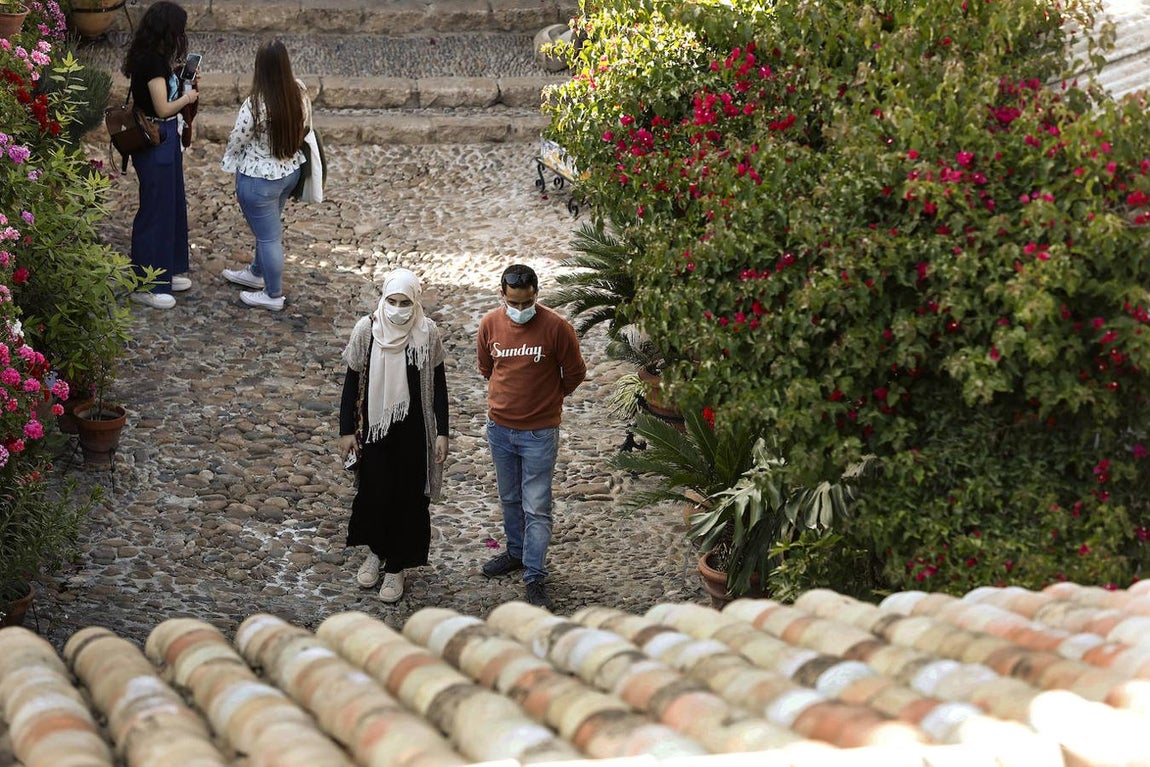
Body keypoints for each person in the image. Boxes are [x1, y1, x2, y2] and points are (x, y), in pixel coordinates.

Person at [477, 264, 586, 609]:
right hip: (500, 430)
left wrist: (550, 399)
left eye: (526, 304)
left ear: (536, 296)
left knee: (536, 506)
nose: (520, 311)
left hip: (539, 433)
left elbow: (575, 373)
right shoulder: (490, 324)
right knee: (509, 497)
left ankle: (534, 574)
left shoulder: (556, 327)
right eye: (514, 304)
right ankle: (514, 552)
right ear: (502, 296)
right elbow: (486, 368)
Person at [337, 269, 449, 603]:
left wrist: (442, 431)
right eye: (392, 301)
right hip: (375, 429)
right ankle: (376, 551)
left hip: (415, 432)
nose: (398, 309)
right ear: (383, 299)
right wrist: (345, 430)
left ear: (415, 302)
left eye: (405, 302)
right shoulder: (366, 331)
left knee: (409, 498)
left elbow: (439, 385)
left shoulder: (427, 333)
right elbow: (351, 381)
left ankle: (396, 566)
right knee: (375, 493)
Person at [121, 0, 199, 310]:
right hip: (155, 140)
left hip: (166, 140)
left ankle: (167, 270)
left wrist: (179, 78)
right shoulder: (151, 62)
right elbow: (163, 107)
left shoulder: (157, 59)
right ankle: (147, 282)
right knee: (155, 209)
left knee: (173, 204)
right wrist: (189, 97)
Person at [220, 39, 309, 312]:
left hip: (258, 180)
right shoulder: (299, 92)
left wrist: (229, 160)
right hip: (288, 172)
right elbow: (306, 126)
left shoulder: (254, 105)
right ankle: (257, 273)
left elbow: (238, 139)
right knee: (266, 230)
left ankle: (273, 294)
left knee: (269, 237)